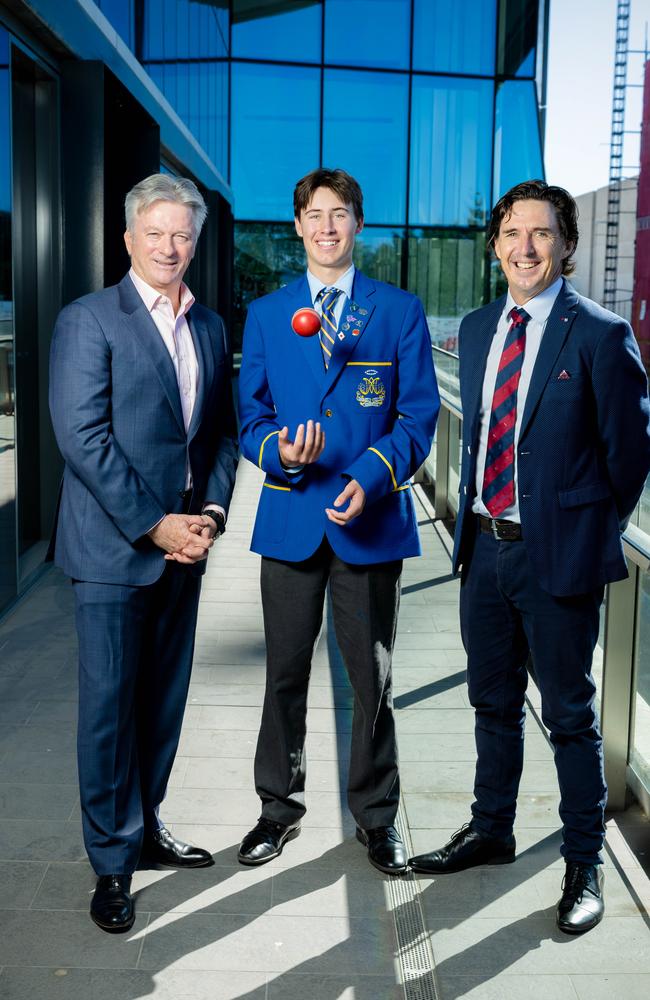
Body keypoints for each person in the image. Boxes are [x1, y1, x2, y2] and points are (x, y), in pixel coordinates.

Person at [409, 180, 650, 934]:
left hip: (559, 561)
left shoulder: (602, 336)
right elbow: (479, 431)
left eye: (541, 233)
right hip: (484, 550)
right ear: (496, 244)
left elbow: (630, 460)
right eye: (512, 232)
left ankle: (585, 863)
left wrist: (579, 529)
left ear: (566, 245)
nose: (525, 247)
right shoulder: (480, 326)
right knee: (492, 704)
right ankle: (492, 828)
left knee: (571, 717)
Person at [48, 174, 238, 932]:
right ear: (128, 239)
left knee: (161, 707)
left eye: (182, 234)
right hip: (111, 553)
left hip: (185, 550)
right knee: (108, 715)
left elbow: (219, 433)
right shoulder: (88, 320)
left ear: (196, 241)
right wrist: (155, 524)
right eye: (155, 232)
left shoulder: (213, 327)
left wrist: (212, 515)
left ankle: (146, 825)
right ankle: (111, 863)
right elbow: (82, 438)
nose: (169, 246)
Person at [237, 168, 439, 875]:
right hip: (292, 514)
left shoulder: (398, 311)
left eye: (340, 214)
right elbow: (250, 418)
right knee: (284, 674)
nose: (326, 226)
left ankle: (377, 818)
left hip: (369, 520)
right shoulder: (267, 315)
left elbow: (418, 417)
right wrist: (281, 454)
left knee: (371, 679)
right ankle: (276, 809)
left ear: (359, 225)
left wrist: (367, 476)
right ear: (297, 226)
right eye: (314, 215)